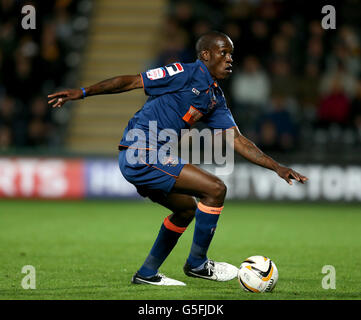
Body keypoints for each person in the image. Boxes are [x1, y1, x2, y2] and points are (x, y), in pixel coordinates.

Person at [48, 31, 308, 286]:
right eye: (224, 53)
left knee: (186, 210)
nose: (230, 59)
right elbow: (132, 81)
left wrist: (277, 167)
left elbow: (237, 140)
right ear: (205, 55)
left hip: (153, 156)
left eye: (232, 54)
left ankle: (147, 273)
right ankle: (197, 264)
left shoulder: (214, 97)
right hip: (141, 152)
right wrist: (83, 92)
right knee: (215, 189)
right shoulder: (184, 73)